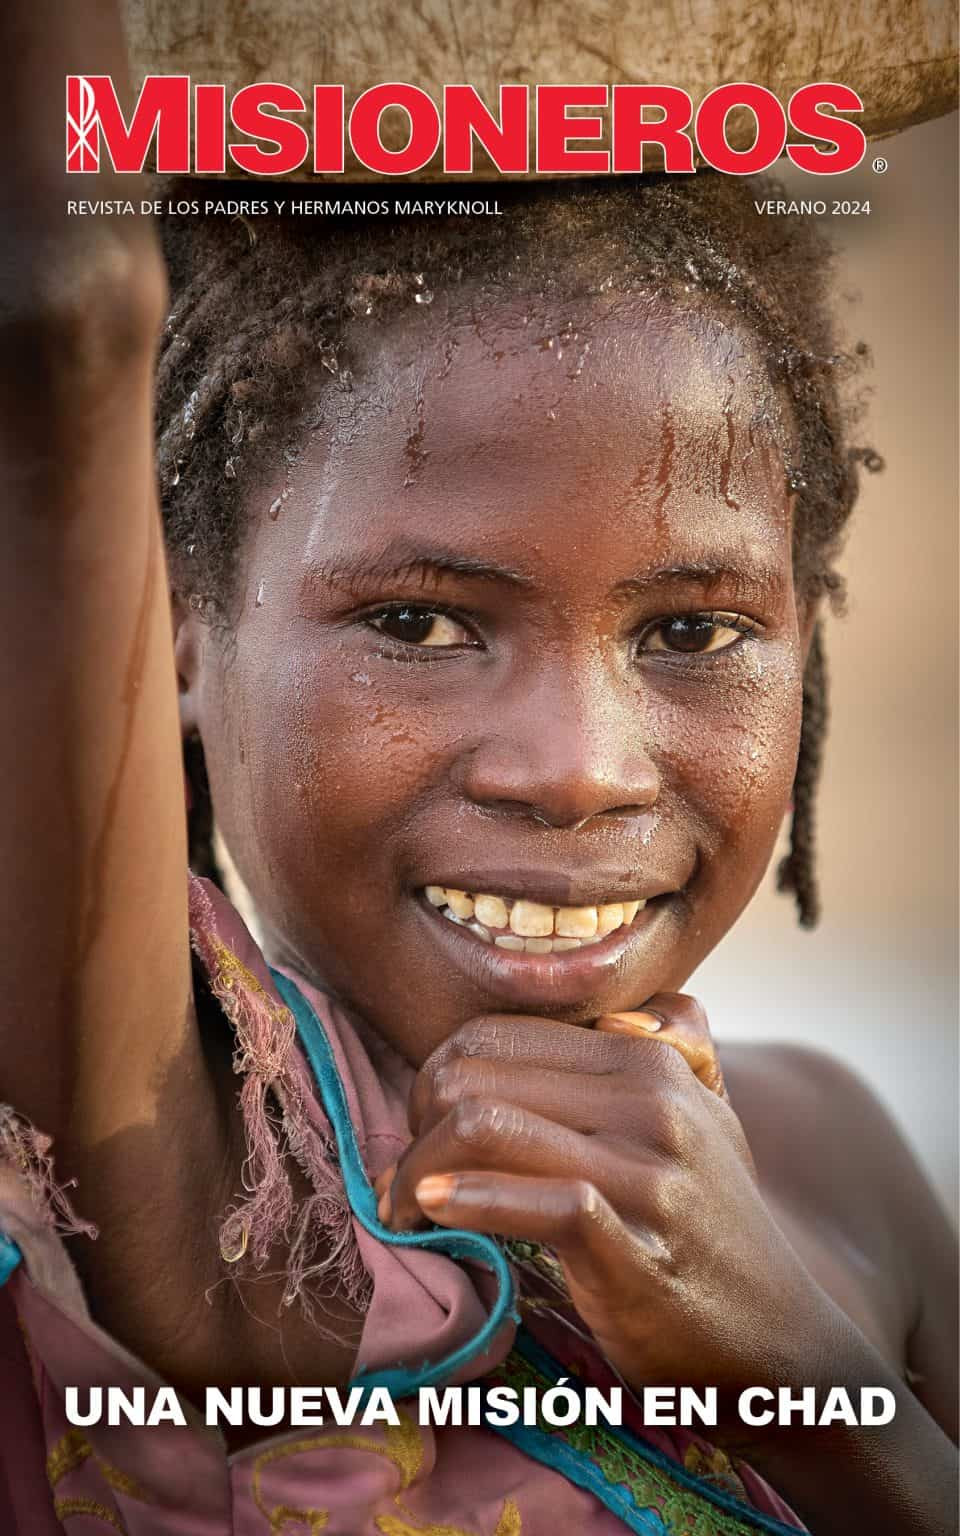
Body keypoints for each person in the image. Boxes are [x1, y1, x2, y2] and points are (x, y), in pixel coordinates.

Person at [0, 4, 956, 1532]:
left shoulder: (838, 1165)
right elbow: (56, 313)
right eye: (423, 620)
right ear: (177, 629)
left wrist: (809, 1372)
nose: (578, 772)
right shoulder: (207, 1199)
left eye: (695, 627)